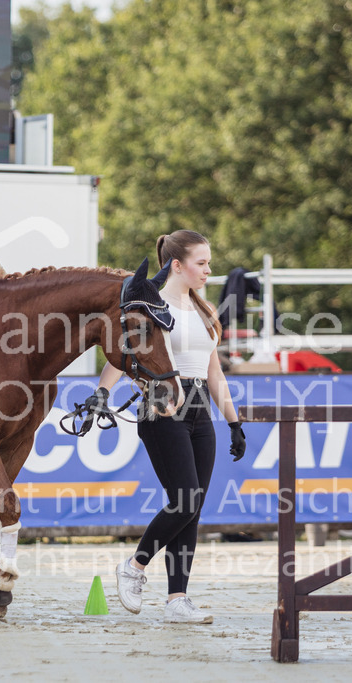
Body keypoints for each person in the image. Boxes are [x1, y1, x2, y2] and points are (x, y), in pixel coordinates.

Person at [85, 229, 246, 623]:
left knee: (193, 508)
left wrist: (234, 422)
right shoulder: (154, 307)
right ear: (177, 265)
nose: (209, 270)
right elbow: (122, 356)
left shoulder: (207, 312)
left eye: (209, 262)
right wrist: (101, 393)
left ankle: (177, 599)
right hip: (162, 408)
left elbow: (215, 373)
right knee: (186, 498)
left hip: (200, 410)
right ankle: (135, 567)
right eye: (202, 263)